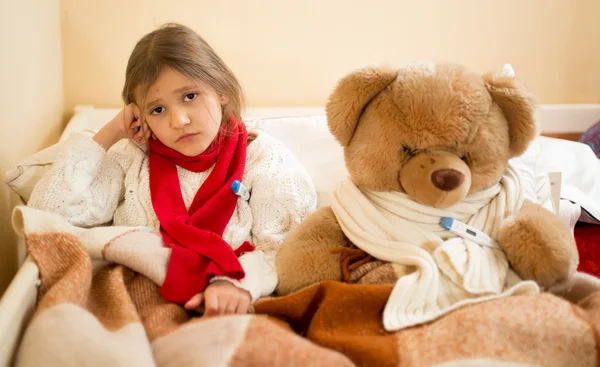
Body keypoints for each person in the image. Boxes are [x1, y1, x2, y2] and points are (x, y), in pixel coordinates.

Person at [29, 23, 317, 317]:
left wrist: (235, 284)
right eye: (157, 109)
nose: (178, 120)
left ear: (220, 90)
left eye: (190, 96)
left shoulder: (264, 157)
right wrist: (111, 132)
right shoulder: (130, 157)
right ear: (138, 115)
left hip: (231, 304)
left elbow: (285, 246)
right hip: (129, 303)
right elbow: (46, 216)